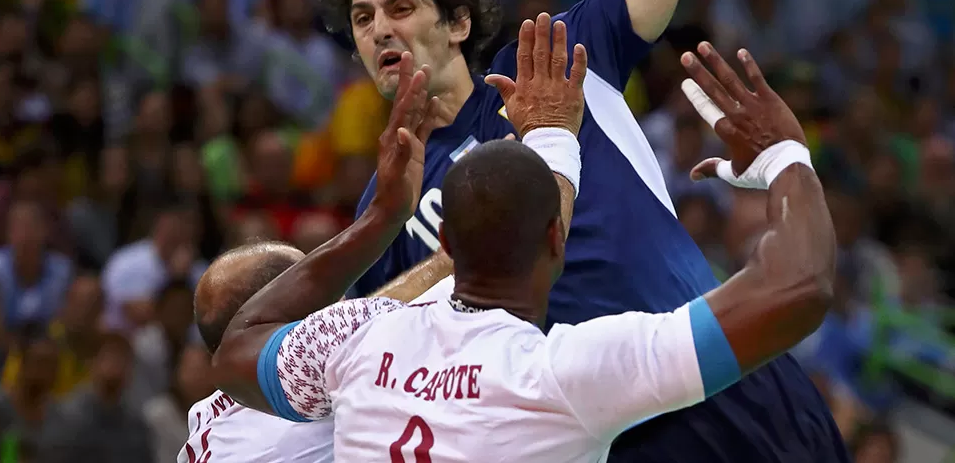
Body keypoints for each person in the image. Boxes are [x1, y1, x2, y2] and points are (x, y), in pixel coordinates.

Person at [311, 0, 847, 460]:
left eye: (400, 8)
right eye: (362, 20)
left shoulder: (550, 57)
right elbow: (352, 345)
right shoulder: (390, 199)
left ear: (458, 23)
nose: (379, 31)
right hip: (619, 436)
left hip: (737, 372)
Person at [213, 39, 838, 462]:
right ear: (557, 238)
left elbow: (242, 343)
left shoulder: (360, 338)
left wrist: (381, 217)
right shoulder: (565, 375)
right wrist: (785, 156)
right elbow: (799, 287)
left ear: (446, 243)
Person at [180, 50, 458, 463]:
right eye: (315, 284)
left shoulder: (211, 417)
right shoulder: (314, 390)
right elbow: (358, 330)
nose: (341, 300)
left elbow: (365, 319)